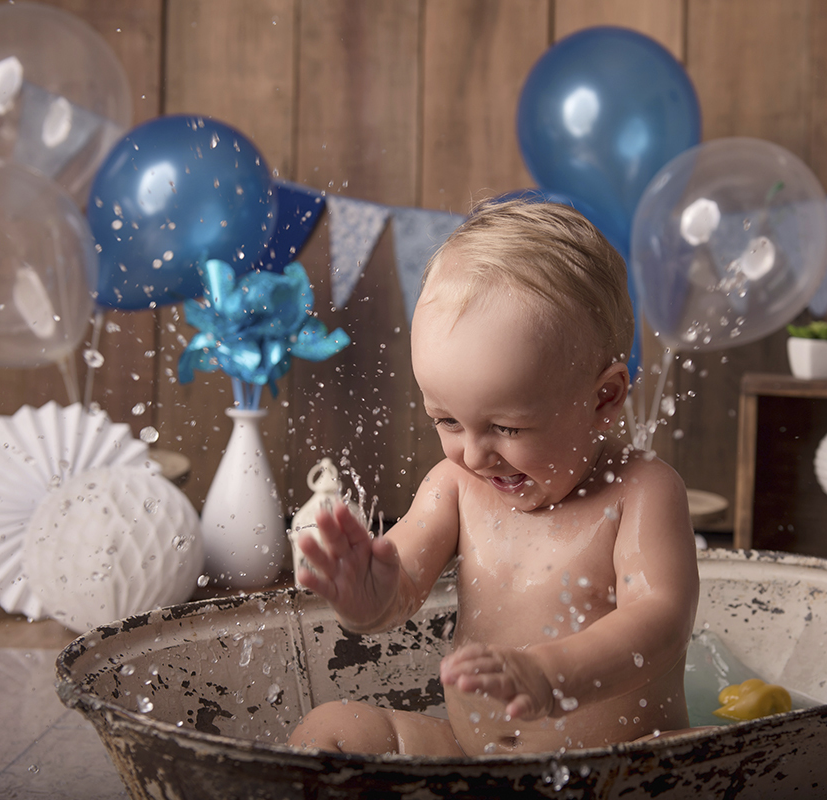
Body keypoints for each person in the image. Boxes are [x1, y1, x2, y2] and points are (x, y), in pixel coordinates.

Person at [287, 199, 700, 756]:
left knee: (731, 759)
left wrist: (552, 675)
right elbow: (403, 583)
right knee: (330, 729)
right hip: (471, 757)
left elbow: (660, 622)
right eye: (447, 420)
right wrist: (368, 601)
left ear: (603, 399)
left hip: (619, 767)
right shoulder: (454, 487)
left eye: (507, 426)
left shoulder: (641, 491)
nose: (476, 455)